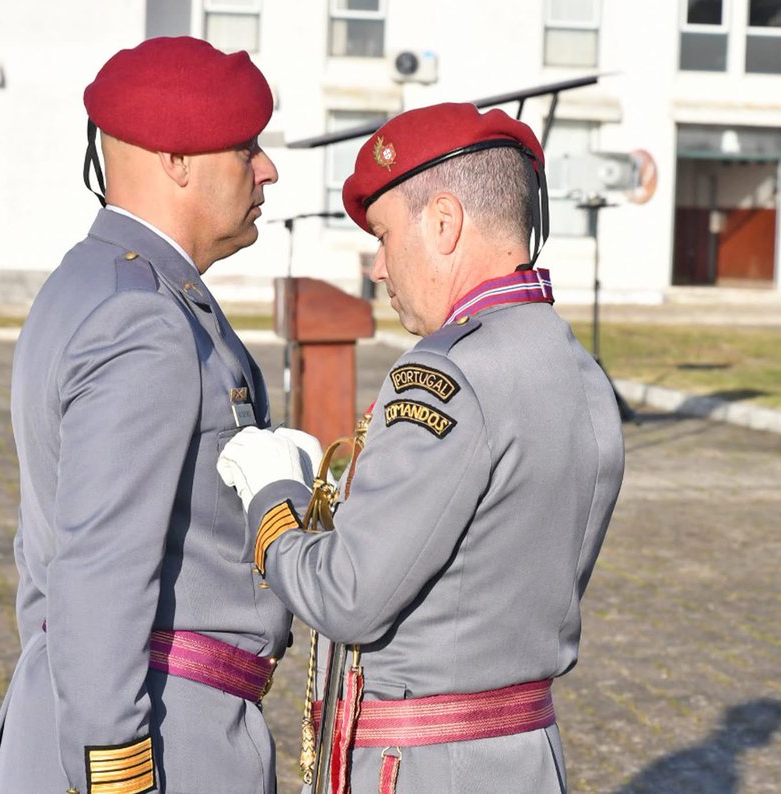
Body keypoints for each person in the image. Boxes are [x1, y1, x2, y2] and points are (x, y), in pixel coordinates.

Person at [217, 103, 626, 793]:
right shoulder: (579, 369)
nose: (378, 267)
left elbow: (346, 595)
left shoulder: (442, 376)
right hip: (525, 754)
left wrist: (272, 497)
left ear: (443, 222)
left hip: (426, 765)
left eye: (383, 236)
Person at [0, 36, 296, 794]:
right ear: (177, 160)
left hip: (109, 711)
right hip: (162, 737)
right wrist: (112, 772)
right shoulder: (145, 321)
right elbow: (95, 575)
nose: (269, 169)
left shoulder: (89, 287)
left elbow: (44, 560)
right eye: (246, 148)